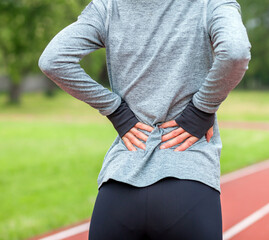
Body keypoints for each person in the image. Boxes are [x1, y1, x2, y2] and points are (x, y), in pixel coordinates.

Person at [38, 0, 251, 239]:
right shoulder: (210, 3)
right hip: (189, 176)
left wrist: (116, 111)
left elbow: (53, 60)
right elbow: (236, 51)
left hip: (120, 184)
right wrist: (201, 110)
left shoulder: (107, 7)